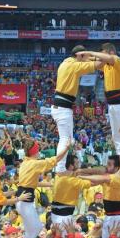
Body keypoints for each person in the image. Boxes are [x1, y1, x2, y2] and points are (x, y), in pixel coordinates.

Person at [16, 138, 70, 238]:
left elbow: (32, 183)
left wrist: (50, 184)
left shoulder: (25, 162)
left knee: (32, 229)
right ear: (35, 151)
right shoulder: (34, 163)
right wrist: (66, 148)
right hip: (25, 201)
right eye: (38, 150)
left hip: (23, 199)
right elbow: (54, 160)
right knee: (35, 228)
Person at [79, 44, 120, 173]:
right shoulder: (106, 66)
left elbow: (105, 58)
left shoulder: (119, 62)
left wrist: (90, 50)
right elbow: (94, 61)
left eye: (103, 53)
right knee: (116, 136)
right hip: (113, 104)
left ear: (111, 52)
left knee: (119, 136)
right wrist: (83, 56)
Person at [51, 45, 99, 173]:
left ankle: (66, 166)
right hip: (62, 107)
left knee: (70, 140)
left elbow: (88, 61)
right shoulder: (74, 65)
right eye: (85, 57)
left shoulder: (65, 62)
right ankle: (60, 170)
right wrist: (108, 58)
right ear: (79, 55)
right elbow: (98, 64)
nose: (86, 60)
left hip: (61, 106)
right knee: (65, 140)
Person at [50, 154, 91, 234]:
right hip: (64, 216)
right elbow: (92, 183)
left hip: (57, 213)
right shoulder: (73, 181)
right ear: (71, 166)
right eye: (77, 163)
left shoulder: (58, 176)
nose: (79, 165)